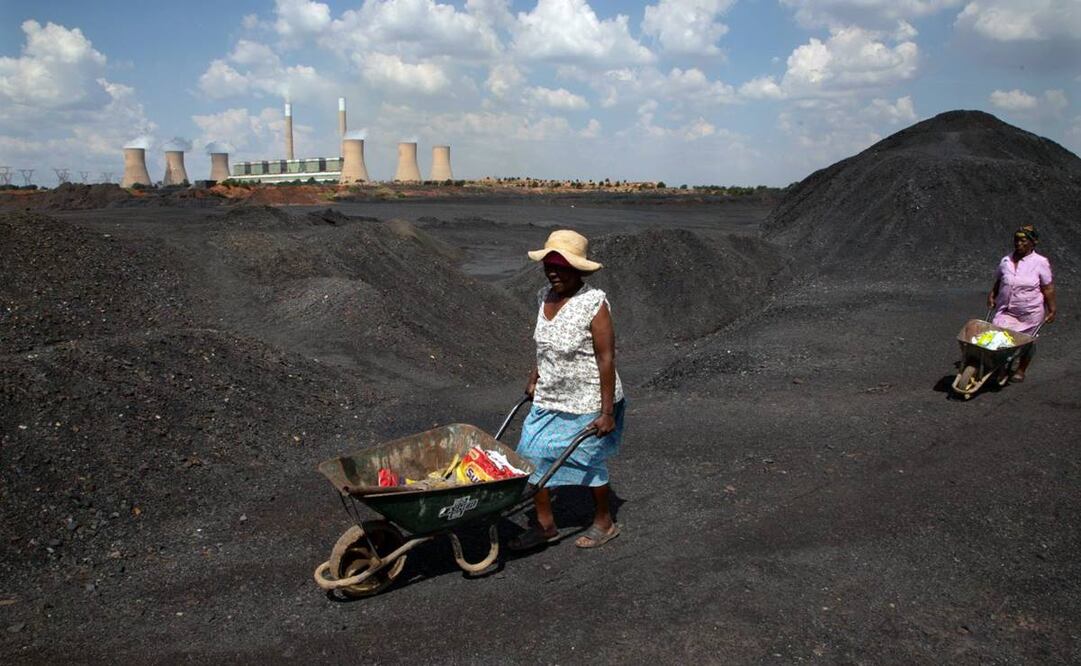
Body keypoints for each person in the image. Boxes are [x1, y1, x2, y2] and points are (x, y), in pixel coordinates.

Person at [509, 229, 625, 550]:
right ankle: (546, 526)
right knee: (531, 453)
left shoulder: (594, 304)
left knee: (586, 461)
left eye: (562, 266)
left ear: (578, 269)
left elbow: (606, 357)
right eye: (549, 265)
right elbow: (544, 345)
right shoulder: (543, 297)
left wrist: (606, 412)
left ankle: (604, 521)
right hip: (551, 394)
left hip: (588, 398)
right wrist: (534, 375)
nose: (554, 272)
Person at [986, 224, 1057, 382]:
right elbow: (999, 280)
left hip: (1029, 312)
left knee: (1026, 341)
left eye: (1024, 241)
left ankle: (1020, 369)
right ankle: (1002, 368)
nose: (1019, 244)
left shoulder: (1040, 262)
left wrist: (1052, 309)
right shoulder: (1006, 260)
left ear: (1033, 242)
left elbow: (1048, 288)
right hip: (1006, 309)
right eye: (1017, 240)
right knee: (999, 337)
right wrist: (992, 295)